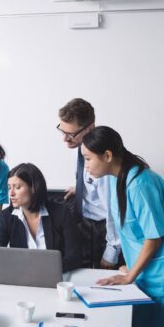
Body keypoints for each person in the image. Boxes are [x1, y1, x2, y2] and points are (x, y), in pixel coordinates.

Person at [82, 126, 164, 327]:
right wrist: (130, 268)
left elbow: (154, 238)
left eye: (87, 159)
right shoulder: (116, 178)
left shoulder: (141, 184)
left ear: (108, 156)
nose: (86, 166)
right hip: (142, 274)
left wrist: (130, 275)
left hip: (162, 279)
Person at [0, 163, 82, 272]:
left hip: (57, 280)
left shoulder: (61, 213)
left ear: (33, 188)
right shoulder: (6, 217)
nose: (11, 193)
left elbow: (74, 257)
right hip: (22, 281)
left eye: (17, 187)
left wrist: (44, 270)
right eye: (9, 187)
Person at [58, 98, 121, 269]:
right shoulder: (78, 145)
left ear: (90, 128)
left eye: (70, 134)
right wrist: (79, 188)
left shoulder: (104, 160)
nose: (65, 139)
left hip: (103, 229)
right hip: (83, 220)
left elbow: (114, 210)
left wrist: (111, 252)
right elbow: (88, 178)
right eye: (62, 131)